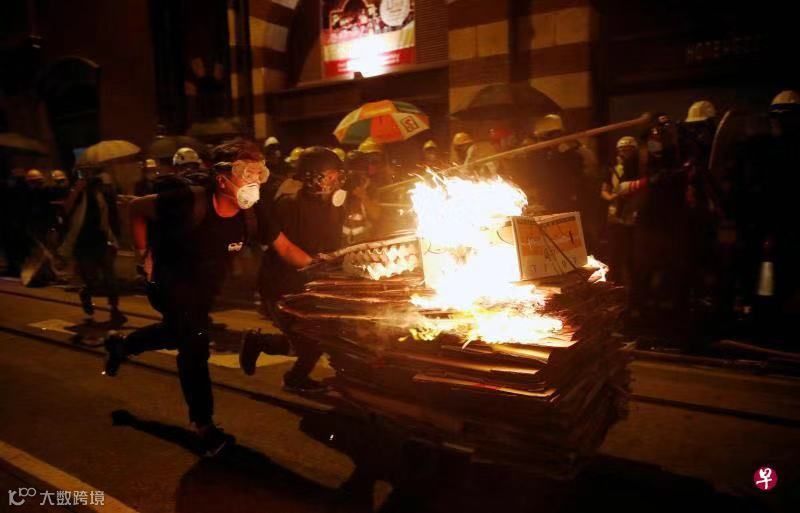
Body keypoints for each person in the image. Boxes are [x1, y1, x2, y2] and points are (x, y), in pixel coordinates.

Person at [103, 139, 268, 456]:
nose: (254, 181)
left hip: (203, 289)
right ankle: (204, 426)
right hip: (169, 282)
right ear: (222, 178)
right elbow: (137, 208)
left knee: (176, 333)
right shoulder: (187, 200)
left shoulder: (249, 213)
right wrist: (143, 255)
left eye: (259, 173)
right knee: (194, 343)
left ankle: (122, 346)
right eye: (246, 173)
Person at [243, 147, 347, 393]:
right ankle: (293, 379)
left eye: (336, 176)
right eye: (329, 176)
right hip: (282, 284)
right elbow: (286, 249)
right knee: (309, 343)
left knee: (314, 336)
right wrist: (316, 266)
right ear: (311, 177)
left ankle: (261, 342)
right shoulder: (289, 204)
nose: (335, 181)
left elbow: (333, 244)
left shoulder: (333, 205)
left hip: (311, 281)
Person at [59, 169, 124, 323]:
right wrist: (76, 190)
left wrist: (114, 240)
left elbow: (110, 219)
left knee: (110, 278)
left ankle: (115, 310)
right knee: (92, 280)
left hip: (101, 241)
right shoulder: (80, 194)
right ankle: (86, 293)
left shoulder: (104, 198)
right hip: (83, 243)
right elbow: (66, 210)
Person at [601, 136, 642, 288]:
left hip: (633, 215)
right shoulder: (613, 169)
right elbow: (604, 190)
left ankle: (633, 282)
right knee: (615, 250)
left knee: (632, 251)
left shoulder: (640, 169)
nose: (625, 153)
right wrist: (612, 197)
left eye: (629, 150)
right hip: (615, 215)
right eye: (622, 150)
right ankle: (615, 281)